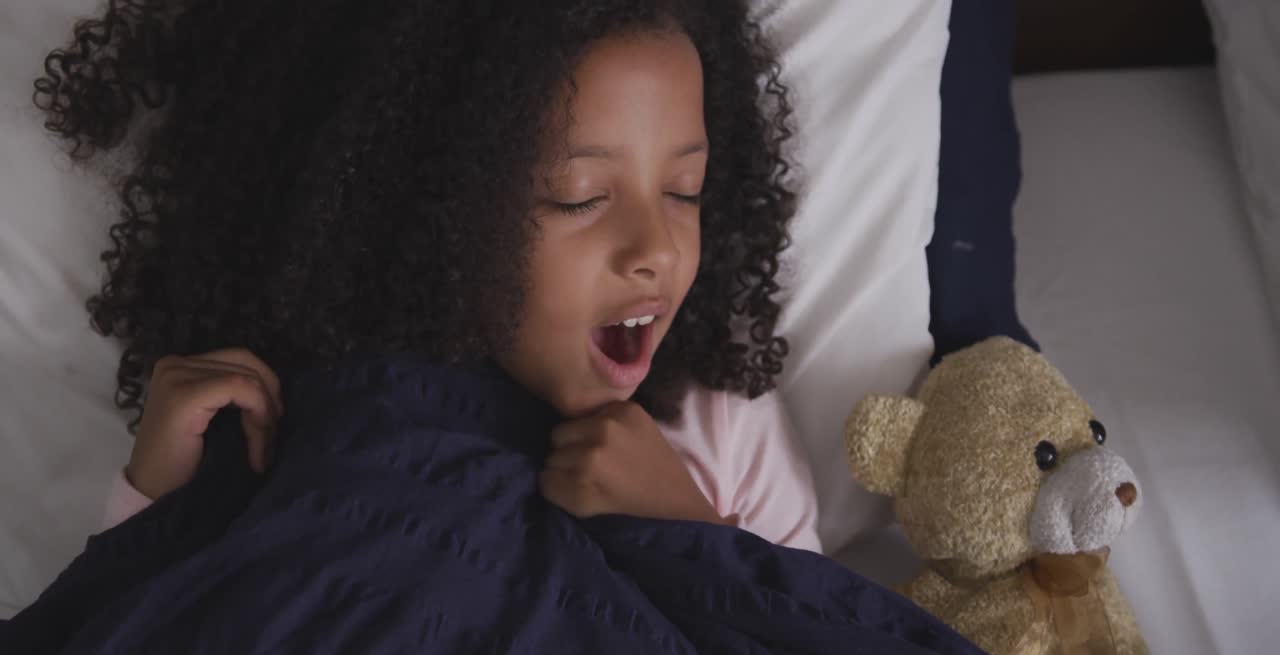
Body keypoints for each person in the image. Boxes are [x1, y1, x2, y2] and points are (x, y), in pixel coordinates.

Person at [35, 0, 820, 552]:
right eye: (578, 199)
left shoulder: (722, 427)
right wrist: (156, 493)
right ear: (432, 209)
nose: (655, 247)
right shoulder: (295, 416)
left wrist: (689, 532)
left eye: (685, 191)